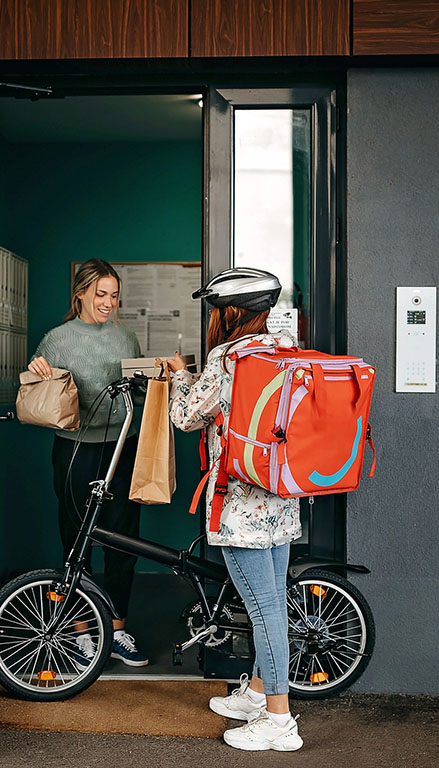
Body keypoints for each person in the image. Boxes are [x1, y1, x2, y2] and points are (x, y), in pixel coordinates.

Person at [167, 267, 303, 752]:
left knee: (264, 612)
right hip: (282, 500)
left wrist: (180, 375)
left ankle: (279, 721)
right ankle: (260, 693)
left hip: (239, 506)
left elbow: (185, 417)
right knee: (273, 606)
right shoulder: (284, 350)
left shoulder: (228, 356)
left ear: (229, 313)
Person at [29, 258, 148, 667]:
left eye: (114, 295)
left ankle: (117, 630)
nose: (108, 302)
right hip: (76, 447)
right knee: (77, 535)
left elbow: (141, 388)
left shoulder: (127, 337)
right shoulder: (57, 339)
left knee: (124, 537)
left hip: (122, 446)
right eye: (101, 294)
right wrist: (38, 371)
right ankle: (81, 630)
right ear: (79, 293)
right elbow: (40, 388)